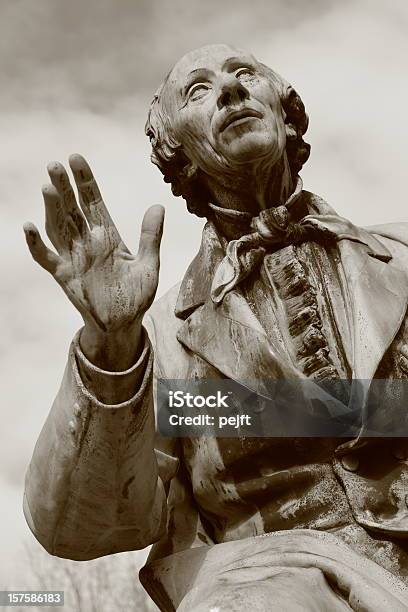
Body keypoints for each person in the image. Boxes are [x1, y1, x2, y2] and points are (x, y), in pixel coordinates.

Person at [23, 44, 408, 611]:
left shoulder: (401, 257)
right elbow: (76, 528)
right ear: (177, 151)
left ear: (286, 108)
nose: (229, 91)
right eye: (197, 92)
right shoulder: (158, 338)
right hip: (274, 582)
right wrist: (110, 347)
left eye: (244, 74)